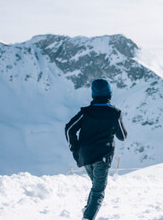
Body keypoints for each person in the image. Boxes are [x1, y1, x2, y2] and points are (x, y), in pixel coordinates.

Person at [65, 78, 127, 220]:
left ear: (93, 94)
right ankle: (88, 216)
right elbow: (122, 136)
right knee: (99, 191)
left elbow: (69, 129)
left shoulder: (85, 112)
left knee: (95, 186)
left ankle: (87, 210)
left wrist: (74, 148)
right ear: (109, 94)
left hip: (85, 157)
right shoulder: (114, 113)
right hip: (102, 157)